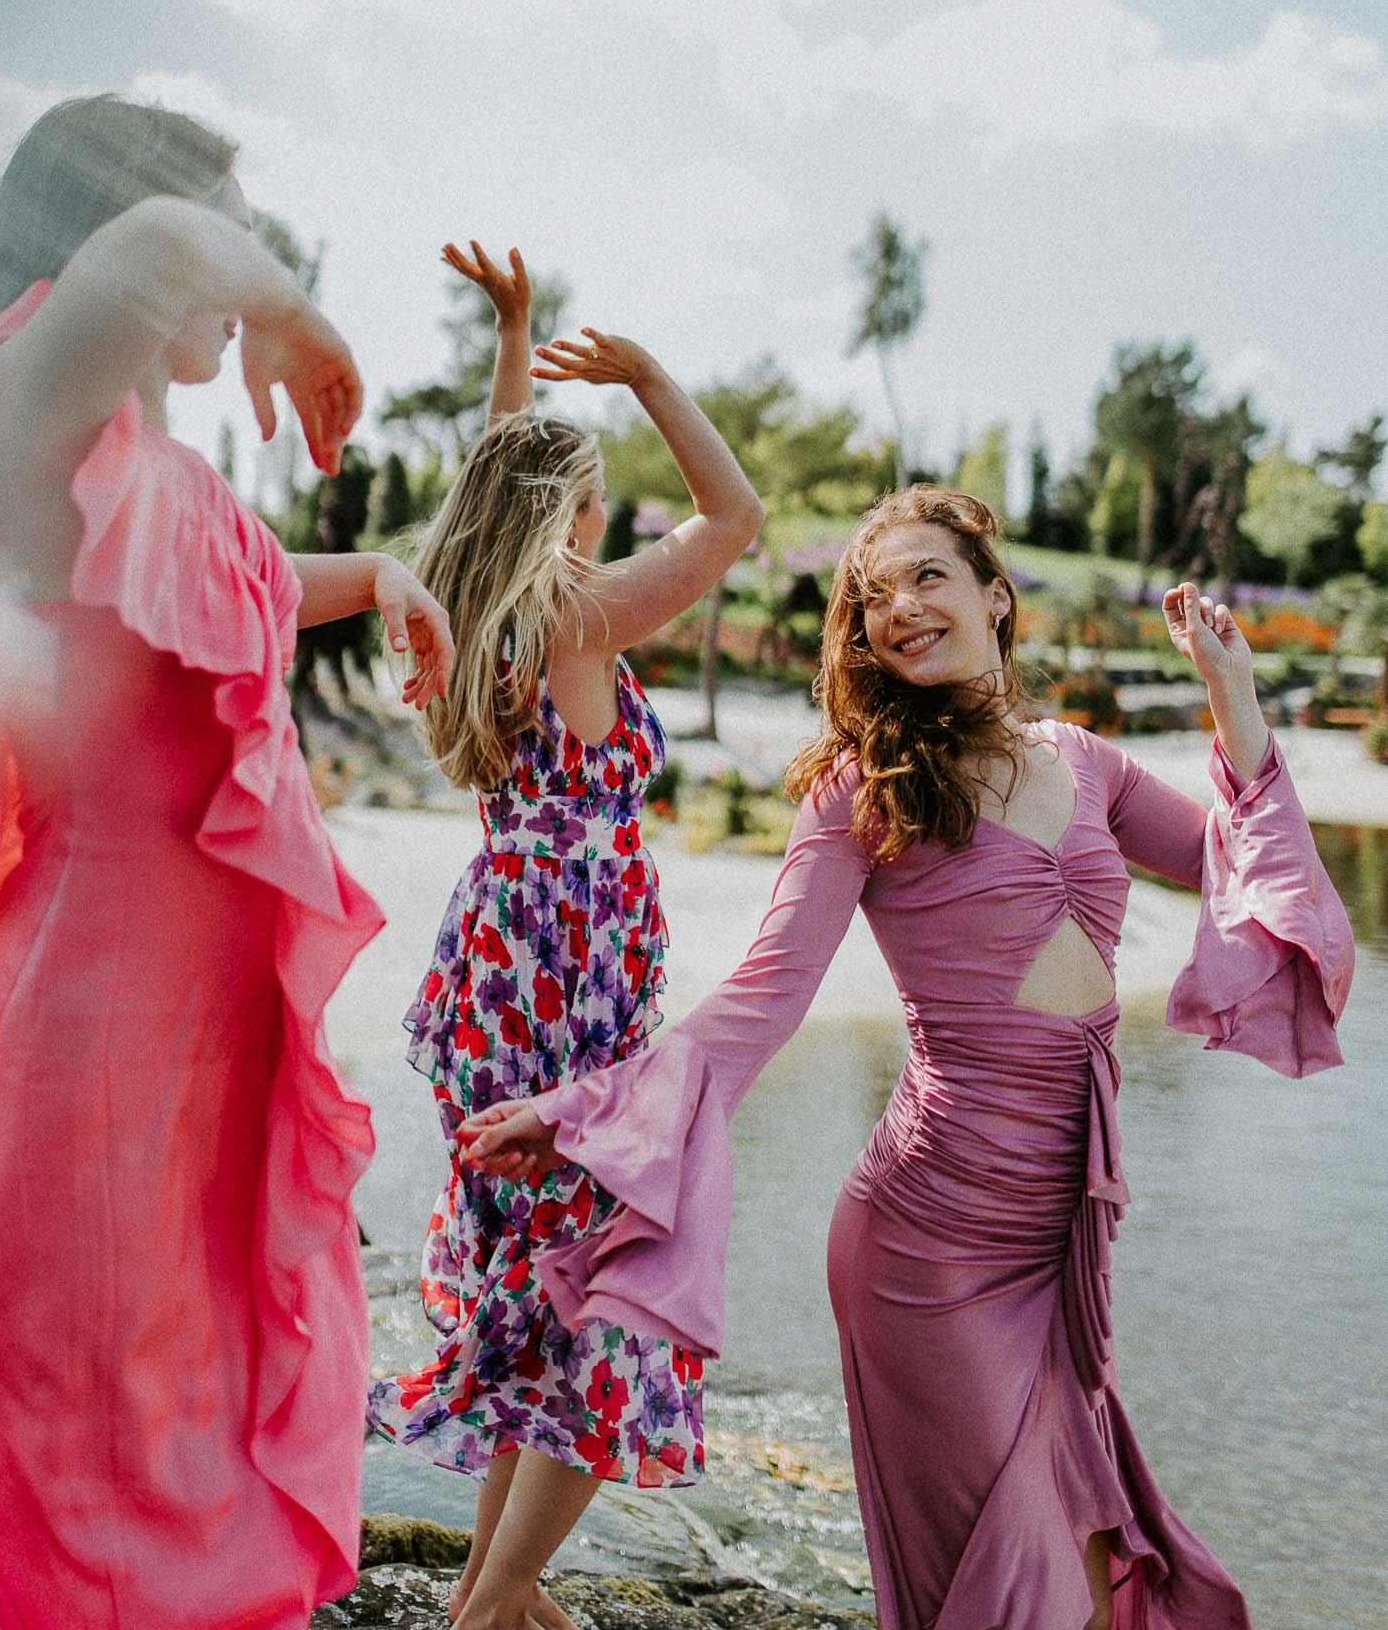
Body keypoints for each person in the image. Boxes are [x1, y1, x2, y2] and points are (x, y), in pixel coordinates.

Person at [460, 486, 1354, 1630]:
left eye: (927, 576)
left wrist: (1232, 696)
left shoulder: (1084, 762)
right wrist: (594, 1108)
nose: (898, 608)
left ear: (996, 596)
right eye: (872, 595)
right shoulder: (858, 789)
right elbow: (767, 991)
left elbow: (1248, 877)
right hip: (925, 1245)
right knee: (1001, 1588)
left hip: (1054, 1242)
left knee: (1085, 1577)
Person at [0, 94, 454, 1630]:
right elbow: (162, 245)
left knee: (184, 1409)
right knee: (93, 1446)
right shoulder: (24, 394)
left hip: (190, 1039)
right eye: (230, 229)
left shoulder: (129, 451)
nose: (237, 262)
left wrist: (374, 573)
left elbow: (216, 581)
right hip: (100, 1023)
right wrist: (289, 306)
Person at [365, 240, 763, 1630]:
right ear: (568, 520)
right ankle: (501, 1597)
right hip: (571, 981)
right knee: (600, 1274)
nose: (604, 524)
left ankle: (494, 1590)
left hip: (497, 968)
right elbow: (734, 519)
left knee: (543, 1276)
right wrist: (648, 376)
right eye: (591, 505)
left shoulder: (474, 616)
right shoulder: (581, 614)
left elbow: (496, 476)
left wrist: (518, 338)